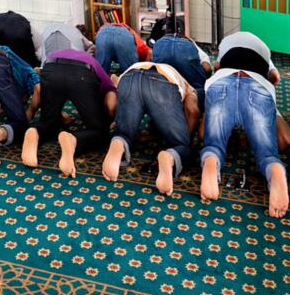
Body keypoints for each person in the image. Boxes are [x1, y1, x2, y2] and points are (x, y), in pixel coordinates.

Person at [199, 31, 289, 217]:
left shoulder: (226, 44)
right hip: (257, 86)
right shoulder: (263, 49)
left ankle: (211, 161)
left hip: (221, 81)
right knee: (267, 154)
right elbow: (275, 77)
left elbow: (215, 66)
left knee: (213, 144)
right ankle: (274, 169)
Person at [102, 61, 200, 196]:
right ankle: (170, 156)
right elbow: (192, 110)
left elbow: (115, 83)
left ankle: (118, 142)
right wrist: (187, 139)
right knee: (181, 145)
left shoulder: (147, 64)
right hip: (162, 84)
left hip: (129, 77)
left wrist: (119, 119)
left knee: (123, 133)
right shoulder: (189, 87)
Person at [22, 48, 118, 176]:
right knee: (100, 132)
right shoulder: (99, 69)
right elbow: (111, 103)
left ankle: (35, 132)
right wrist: (109, 119)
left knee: (49, 121)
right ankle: (73, 140)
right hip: (81, 73)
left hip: (50, 67)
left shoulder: (62, 52)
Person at [152, 33, 211, 109]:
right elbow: (207, 68)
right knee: (196, 89)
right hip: (184, 47)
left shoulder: (160, 42)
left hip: (161, 44)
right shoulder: (194, 46)